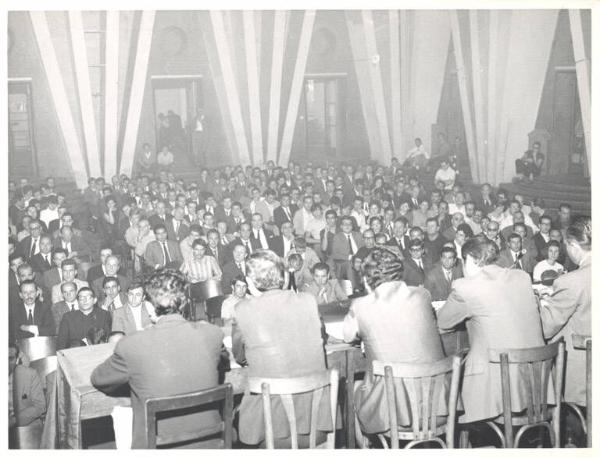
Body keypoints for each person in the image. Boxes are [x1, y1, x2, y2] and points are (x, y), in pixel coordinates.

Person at [91, 269, 225, 449]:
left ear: (150, 306)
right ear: (184, 303)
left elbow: (98, 378)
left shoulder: (131, 345)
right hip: (210, 443)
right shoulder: (212, 334)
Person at [437, 235, 550, 424]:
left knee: (451, 385)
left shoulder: (466, 287)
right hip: (536, 381)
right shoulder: (522, 277)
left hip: (497, 387)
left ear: (471, 260)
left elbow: (443, 323)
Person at [232, 250, 334, 446]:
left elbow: (240, 358)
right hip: (316, 424)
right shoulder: (308, 300)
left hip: (269, 430)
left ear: (249, 282)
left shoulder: (243, 309)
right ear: (285, 276)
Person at [342, 247, 446, 437]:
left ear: (367, 279)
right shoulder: (422, 295)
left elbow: (347, 336)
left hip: (395, 414)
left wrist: (367, 294)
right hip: (439, 407)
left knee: (355, 387)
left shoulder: (361, 305)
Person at [539, 217, 591, 406]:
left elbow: (546, 328)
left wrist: (543, 303)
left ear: (574, 245)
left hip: (581, 376)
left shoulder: (570, 281)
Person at [9, 342, 46, 446]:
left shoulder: (29, 374)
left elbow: (40, 406)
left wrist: (15, 420)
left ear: (17, 359)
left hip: (27, 427)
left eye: (10, 359)